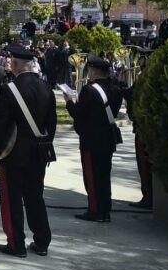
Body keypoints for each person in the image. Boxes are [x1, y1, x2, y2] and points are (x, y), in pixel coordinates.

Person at [0, 45, 57, 257]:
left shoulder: (9, 90)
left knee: (12, 199)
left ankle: (15, 243)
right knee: (35, 196)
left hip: (14, 153)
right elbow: (51, 123)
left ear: (16, 64)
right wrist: (45, 144)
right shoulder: (46, 87)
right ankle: (42, 241)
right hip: (39, 151)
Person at [64, 54, 123, 223]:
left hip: (91, 140)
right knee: (104, 176)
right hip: (108, 138)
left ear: (95, 72)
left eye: (89, 70)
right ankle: (105, 210)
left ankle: (95, 211)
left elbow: (78, 114)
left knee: (92, 177)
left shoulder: (89, 91)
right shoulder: (116, 90)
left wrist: (68, 102)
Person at [125, 46, 154, 209]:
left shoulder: (145, 78)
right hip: (144, 127)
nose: (140, 62)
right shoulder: (146, 76)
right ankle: (148, 196)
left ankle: (148, 197)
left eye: (142, 59)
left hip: (143, 128)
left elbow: (132, 95)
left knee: (144, 165)